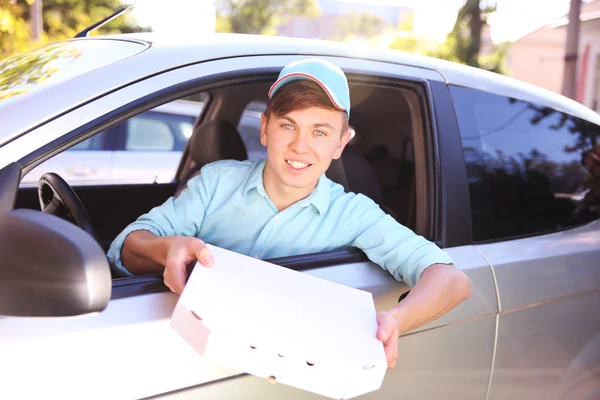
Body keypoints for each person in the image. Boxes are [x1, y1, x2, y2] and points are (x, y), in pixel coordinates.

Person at [108, 58, 470, 369]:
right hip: (189, 360)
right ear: (265, 128)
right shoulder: (214, 184)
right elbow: (128, 246)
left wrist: (396, 320)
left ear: (341, 143)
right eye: (287, 125)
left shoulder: (355, 215)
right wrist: (167, 248)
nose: (300, 145)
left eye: (320, 131)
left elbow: (452, 280)